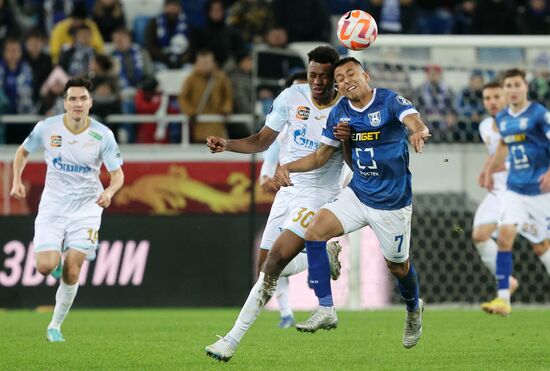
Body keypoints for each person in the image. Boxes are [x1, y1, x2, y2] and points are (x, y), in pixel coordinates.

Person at [274, 57, 429, 348]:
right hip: (358, 193)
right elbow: (321, 156)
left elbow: (412, 118)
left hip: (392, 202)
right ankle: (326, 308)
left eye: (350, 74)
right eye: (340, 79)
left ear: (365, 75)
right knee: (315, 232)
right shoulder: (340, 112)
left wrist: (418, 129)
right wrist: (288, 166)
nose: (345, 81)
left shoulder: (388, 100)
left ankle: (413, 310)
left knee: (398, 267)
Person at [204, 46, 344, 362]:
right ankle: (322, 255)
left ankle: (230, 341)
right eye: (312, 75)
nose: (317, 82)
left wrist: (289, 168)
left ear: (335, 77)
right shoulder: (291, 97)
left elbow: (327, 155)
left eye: (324, 76)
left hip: (318, 194)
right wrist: (227, 144)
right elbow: (262, 140)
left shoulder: (344, 109)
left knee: (276, 258)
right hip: (288, 191)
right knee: (266, 269)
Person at [9, 77, 124, 342]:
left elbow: (118, 175)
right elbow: (22, 152)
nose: (77, 103)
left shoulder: (102, 134)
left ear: (90, 103)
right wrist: (17, 180)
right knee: (44, 267)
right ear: (64, 103)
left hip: (87, 207)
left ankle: (55, 326)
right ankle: (57, 263)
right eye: (72, 98)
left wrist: (109, 191)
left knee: (74, 270)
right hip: (54, 204)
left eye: (82, 98)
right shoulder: (47, 128)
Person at [481, 68, 550, 316]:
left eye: (516, 85)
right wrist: (490, 170)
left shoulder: (539, 114)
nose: (512, 89)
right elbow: (503, 145)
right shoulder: (503, 119)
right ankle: (503, 299)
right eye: (508, 85)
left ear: (525, 87)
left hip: (541, 192)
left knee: (543, 246)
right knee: (506, 235)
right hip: (515, 189)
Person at [472, 81, 519, 292]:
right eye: (487, 98)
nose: (491, 102)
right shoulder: (484, 127)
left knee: (542, 244)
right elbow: (494, 154)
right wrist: (486, 171)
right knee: (480, 235)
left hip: (522, 190)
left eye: (496, 97)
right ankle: (506, 282)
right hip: (499, 191)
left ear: (508, 97)